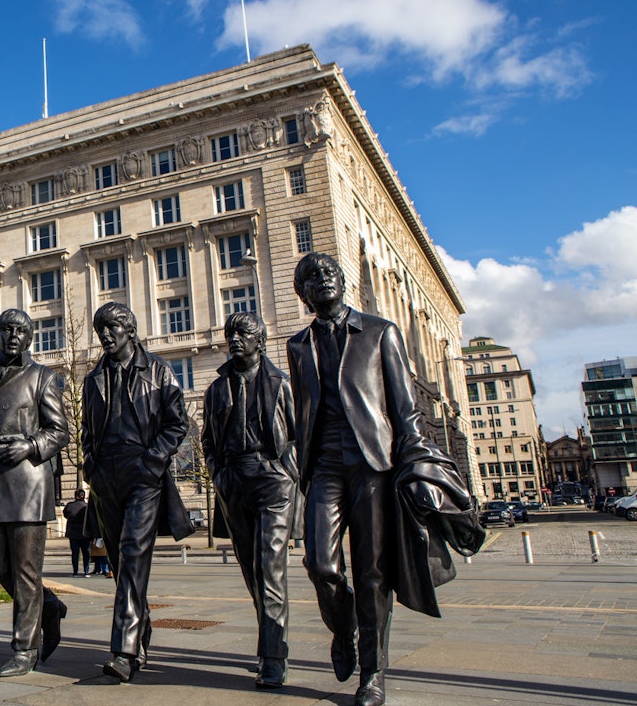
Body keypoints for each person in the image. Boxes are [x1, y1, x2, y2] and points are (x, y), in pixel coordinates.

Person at [287, 252, 484, 706]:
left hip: (374, 465)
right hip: (323, 467)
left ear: (341, 283)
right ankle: (344, 628)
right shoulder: (299, 346)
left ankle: (372, 673)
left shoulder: (380, 332)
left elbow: (404, 409)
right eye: (312, 278)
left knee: (373, 574)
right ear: (304, 294)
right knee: (321, 566)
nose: (323, 280)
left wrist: (415, 465)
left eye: (329, 273)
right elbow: (304, 412)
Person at [81, 302, 195, 682]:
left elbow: (178, 424)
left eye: (112, 328)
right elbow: (87, 432)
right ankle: (139, 626)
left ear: (129, 329)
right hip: (105, 477)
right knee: (119, 561)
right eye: (101, 330)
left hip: (142, 472)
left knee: (132, 553)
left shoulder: (160, 371)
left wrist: (154, 459)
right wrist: (90, 467)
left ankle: (124, 651)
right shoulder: (92, 378)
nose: (106, 336)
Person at [0, 308, 70, 676]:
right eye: (7, 329)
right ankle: (48, 606)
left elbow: (59, 431)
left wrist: (29, 446)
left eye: (21, 330)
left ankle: (25, 649)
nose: (13, 336)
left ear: (30, 338)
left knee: (25, 570)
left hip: (26, 484)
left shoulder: (42, 377)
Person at [202, 311, 298, 689]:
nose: (235, 339)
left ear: (260, 341)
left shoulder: (282, 384)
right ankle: (269, 639)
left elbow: (298, 434)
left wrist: (288, 470)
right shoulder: (216, 389)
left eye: (243, 333)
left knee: (270, 568)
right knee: (252, 572)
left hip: (273, 480)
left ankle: (274, 656)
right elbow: (209, 439)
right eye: (231, 333)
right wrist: (218, 472)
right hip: (234, 481)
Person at [63, 489, 91, 577]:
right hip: (85, 533)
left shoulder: (70, 506)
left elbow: (65, 515)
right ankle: (86, 571)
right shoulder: (87, 507)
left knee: (75, 553)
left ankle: (75, 571)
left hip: (73, 533)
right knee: (86, 553)